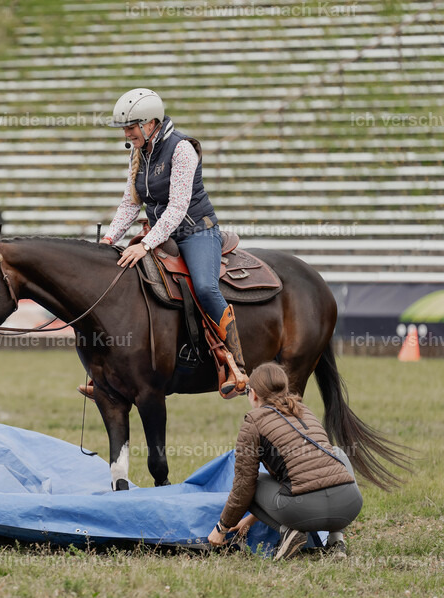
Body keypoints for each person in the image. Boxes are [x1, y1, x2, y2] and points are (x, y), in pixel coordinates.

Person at [81, 88, 248, 399]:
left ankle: (236, 364)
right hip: (161, 233)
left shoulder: (182, 149)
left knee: (205, 288)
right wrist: (108, 240)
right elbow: (130, 204)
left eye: (131, 127)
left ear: (152, 123)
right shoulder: (137, 153)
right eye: (125, 129)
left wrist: (144, 245)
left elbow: (177, 208)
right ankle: (107, 370)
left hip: (197, 231)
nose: (128, 134)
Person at [207, 362, 363, 560]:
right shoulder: (304, 410)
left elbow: (244, 487)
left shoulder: (253, 421)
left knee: (252, 480)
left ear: (253, 394)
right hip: (349, 505)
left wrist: (221, 527)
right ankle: (336, 540)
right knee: (338, 453)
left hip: (303, 511)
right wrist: (249, 522)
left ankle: (290, 531)